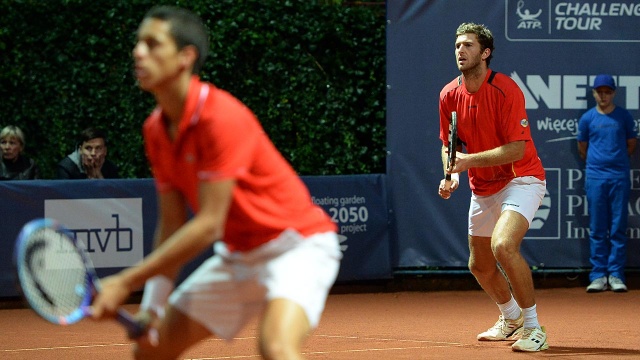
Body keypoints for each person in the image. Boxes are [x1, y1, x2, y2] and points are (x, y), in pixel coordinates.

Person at [90, 6, 342, 360]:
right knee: (150, 352)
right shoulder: (154, 130)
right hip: (240, 256)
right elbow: (173, 224)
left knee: (276, 347)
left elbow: (209, 225)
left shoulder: (220, 117)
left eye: (152, 43)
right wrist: (152, 308)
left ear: (185, 57)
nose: (138, 51)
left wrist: (124, 281)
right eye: (138, 43)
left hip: (296, 246)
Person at [437, 23, 548, 352]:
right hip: (482, 186)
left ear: (485, 53)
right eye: (457, 44)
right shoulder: (448, 95)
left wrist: (467, 161)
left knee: (503, 246)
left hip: (521, 179)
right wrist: (452, 172)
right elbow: (449, 144)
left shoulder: (506, 89)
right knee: (479, 265)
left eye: (468, 45)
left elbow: (517, 149)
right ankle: (510, 317)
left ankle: (533, 328)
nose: (461, 50)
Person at [577, 74, 636, 293]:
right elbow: (582, 147)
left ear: (613, 93)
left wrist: (615, 163)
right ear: (594, 93)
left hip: (619, 176)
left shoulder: (624, 117)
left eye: (607, 92)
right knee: (598, 227)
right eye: (599, 92)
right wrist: (599, 165)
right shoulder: (587, 119)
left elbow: (631, 144)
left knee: (618, 227)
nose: (603, 96)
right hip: (595, 177)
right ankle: (598, 275)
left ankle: (616, 275)